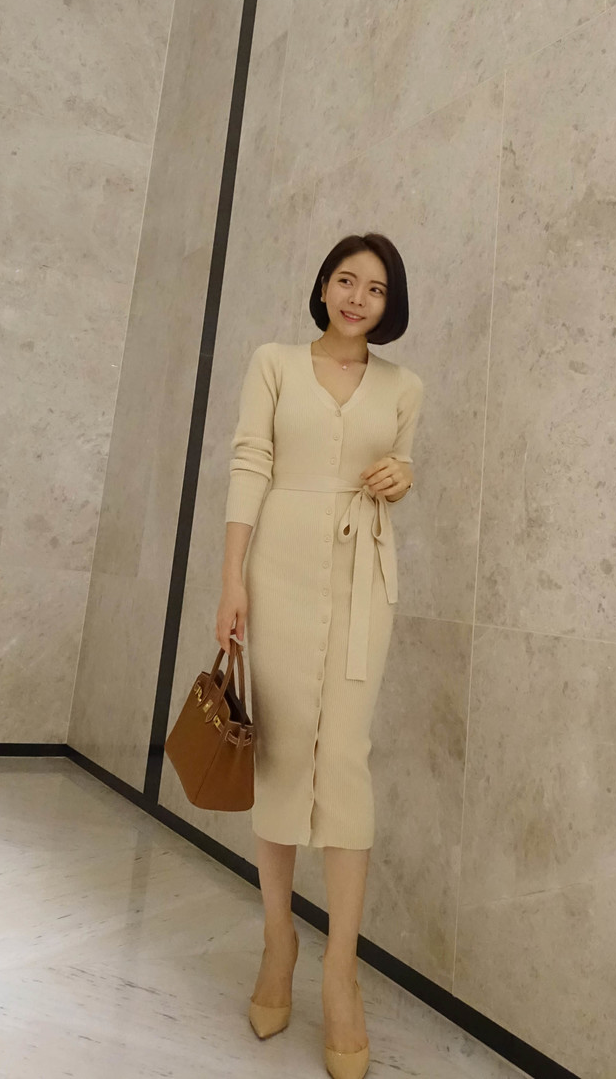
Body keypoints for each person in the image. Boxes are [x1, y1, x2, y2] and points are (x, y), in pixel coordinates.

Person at [215, 231, 423, 1079]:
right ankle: (278, 941)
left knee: (343, 757)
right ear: (324, 286)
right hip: (279, 569)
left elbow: (399, 467)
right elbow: (250, 463)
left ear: (388, 304)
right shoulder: (272, 363)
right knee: (277, 754)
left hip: (363, 575)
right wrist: (231, 579)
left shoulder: (405, 386)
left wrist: (402, 476)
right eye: (346, 280)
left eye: (375, 288)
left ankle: (341, 972)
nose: (357, 298)